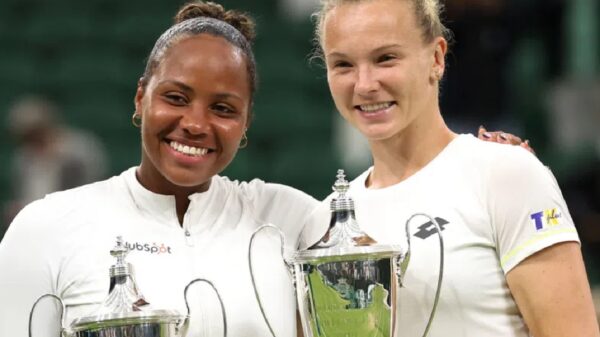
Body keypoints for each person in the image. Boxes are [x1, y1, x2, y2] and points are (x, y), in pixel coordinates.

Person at [0, 2, 318, 337]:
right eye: (176, 98)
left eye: (223, 108)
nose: (195, 124)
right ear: (141, 97)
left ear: (246, 123)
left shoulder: (294, 221)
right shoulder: (46, 229)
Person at [300, 0, 600, 336]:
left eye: (386, 58)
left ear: (436, 58)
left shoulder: (507, 175)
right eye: (343, 65)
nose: (365, 84)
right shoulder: (322, 224)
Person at [3, 95, 108, 231]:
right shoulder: (23, 158)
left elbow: (90, 193)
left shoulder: (79, 150)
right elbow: (26, 197)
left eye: (35, 134)